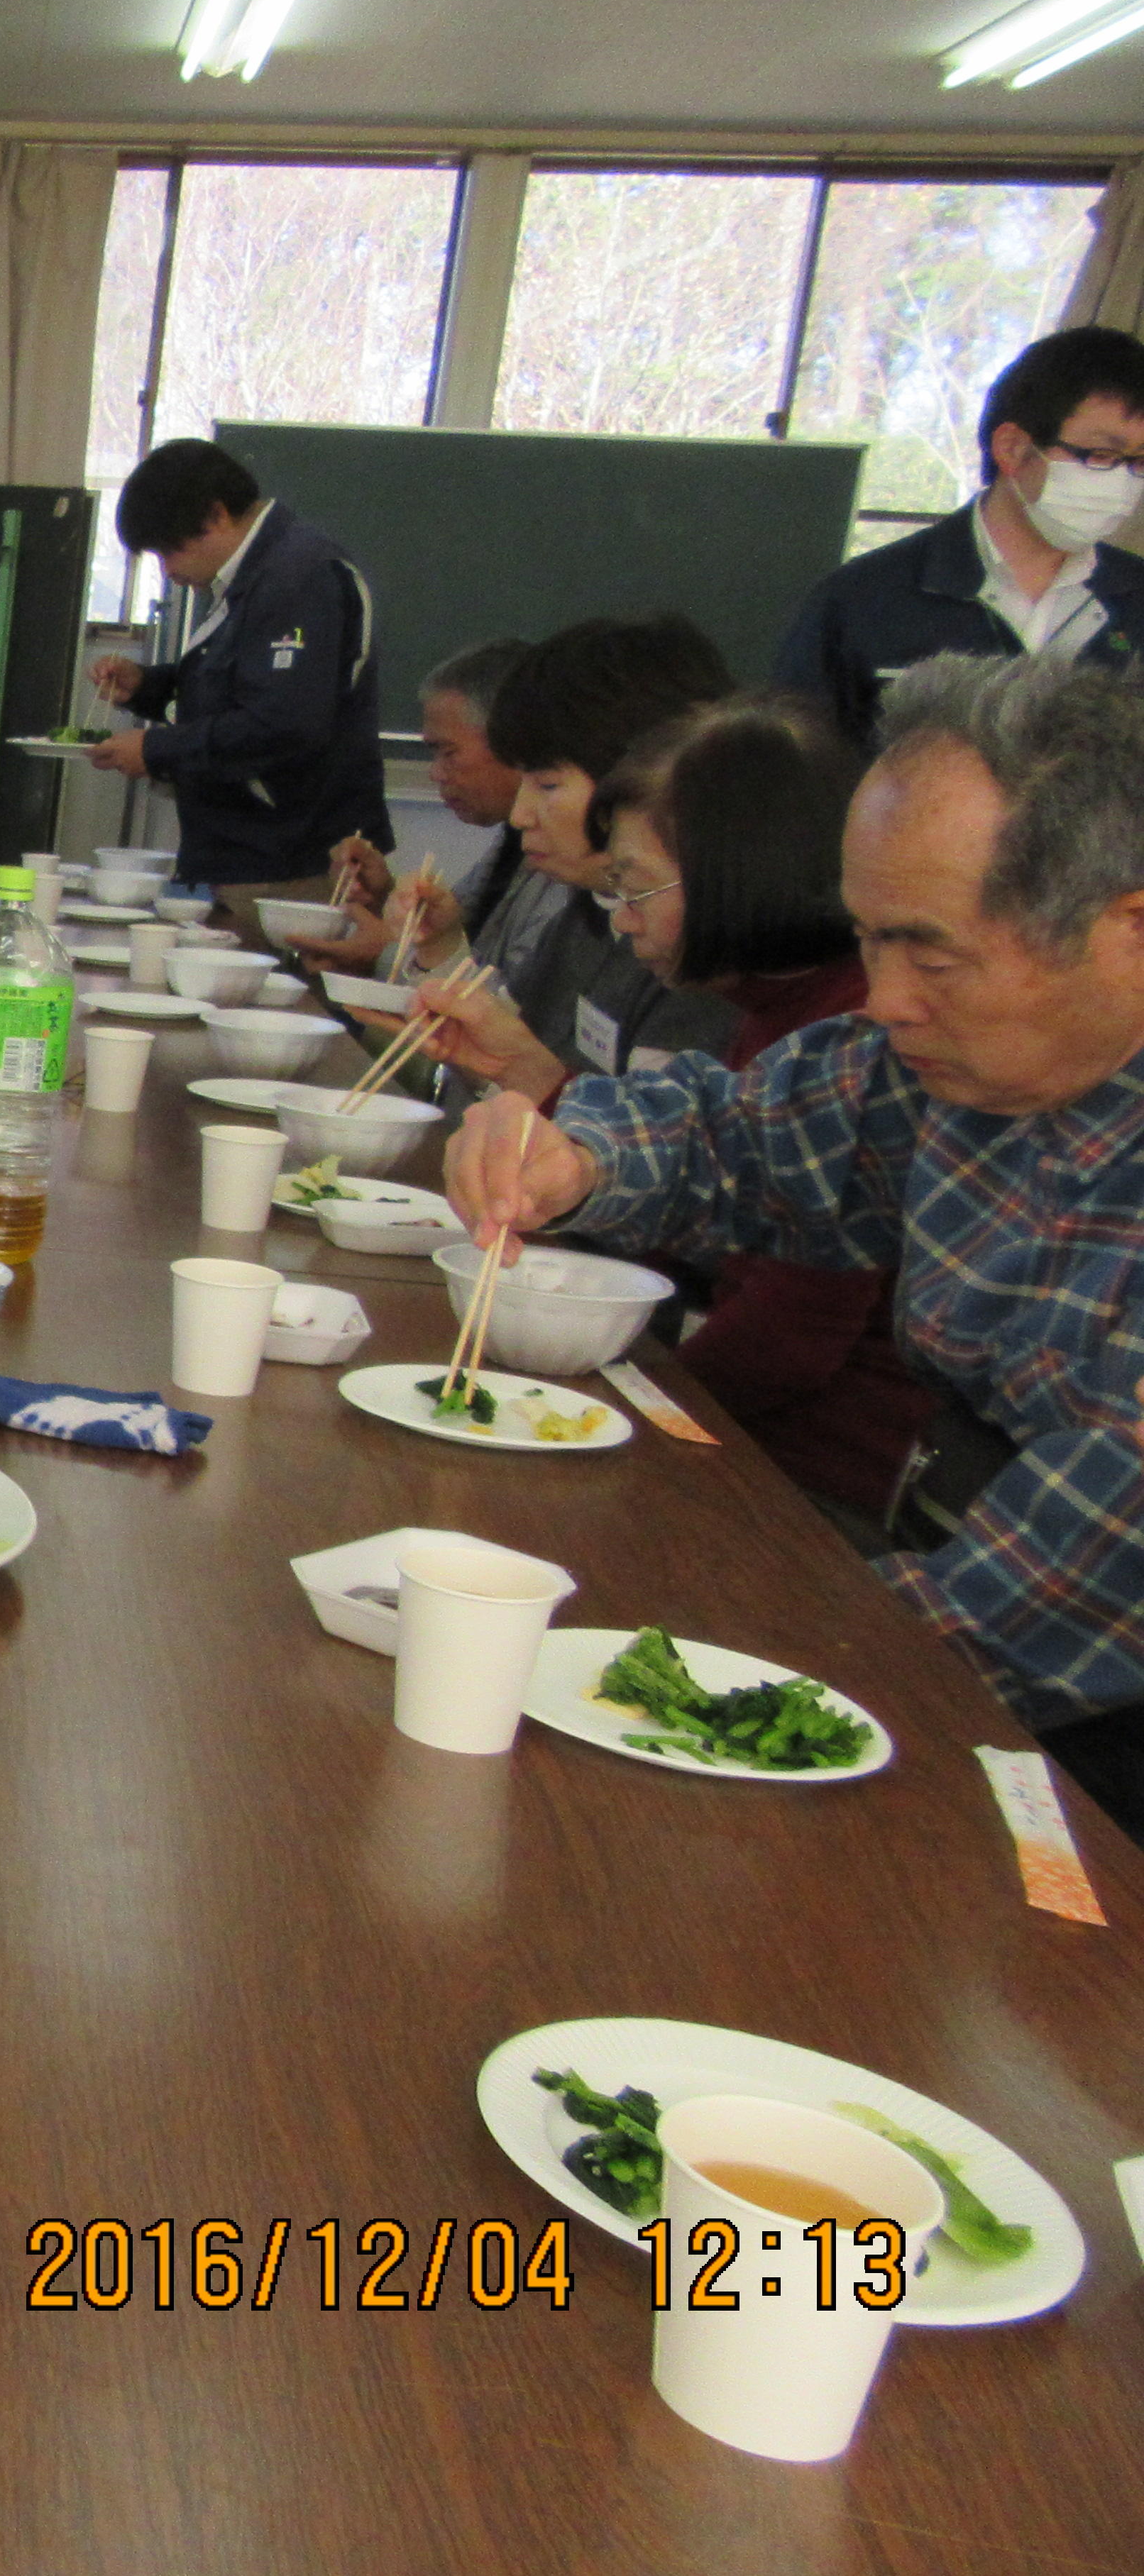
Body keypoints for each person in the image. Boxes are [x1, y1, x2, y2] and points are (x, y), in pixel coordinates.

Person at [449, 653, 1144, 1837]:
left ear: (1124, 931)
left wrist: (678, 1662)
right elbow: (742, 1136)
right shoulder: (965, 1063)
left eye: (926, 952)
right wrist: (575, 1156)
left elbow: (1021, 1609)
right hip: (931, 1601)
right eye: (865, 940)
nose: (879, 998)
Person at [573, 700, 935, 1521]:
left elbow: (789, 1340)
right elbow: (711, 1155)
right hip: (749, 1439)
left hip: (810, 1487)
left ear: (736, 872)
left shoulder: (861, 1026)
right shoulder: (770, 1002)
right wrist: (569, 1153)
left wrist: (629, 1415)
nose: (621, 921)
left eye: (634, 888)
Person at [368, 617, 741, 1098]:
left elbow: (636, 1155)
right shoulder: (591, 908)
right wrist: (442, 951)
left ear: (636, 778)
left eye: (546, 785)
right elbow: (505, 1053)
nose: (521, 815)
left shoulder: (693, 952)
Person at [769, 325, 1144, 752]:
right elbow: (795, 779)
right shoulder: (861, 601)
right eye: (1102, 456)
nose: (1124, 481)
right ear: (1013, 448)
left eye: (1139, 463)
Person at [86, 437, 389, 936]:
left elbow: (283, 724)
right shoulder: (254, 574)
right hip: (248, 856)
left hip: (291, 865)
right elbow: (235, 688)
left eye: (171, 549)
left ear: (217, 514)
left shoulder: (298, 577)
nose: (168, 570)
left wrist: (157, 749)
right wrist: (148, 687)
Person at [290, 639, 529, 978]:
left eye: (448, 752)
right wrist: (386, 899)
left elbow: (507, 1006)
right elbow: (453, 934)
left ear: (519, 741)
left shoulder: (563, 868)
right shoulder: (512, 842)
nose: (434, 772)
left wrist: (385, 950)